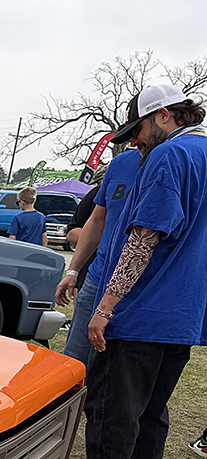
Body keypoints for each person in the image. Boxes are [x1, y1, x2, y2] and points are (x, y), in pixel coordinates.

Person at [77, 84, 207, 459]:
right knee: (150, 409)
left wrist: (105, 306)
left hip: (141, 309)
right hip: (184, 313)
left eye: (139, 128)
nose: (135, 139)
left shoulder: (171, 155)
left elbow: (144, 238)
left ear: (164, 115)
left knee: (112, 407)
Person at [54, 147, 141, 365]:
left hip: (142, 284)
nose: (133, 140)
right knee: (74, 359)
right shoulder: (120, 164)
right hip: (97, 276)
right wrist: (73, 271)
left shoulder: (174, 162)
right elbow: (90, 223)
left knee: (120, 364)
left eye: (137, 132)